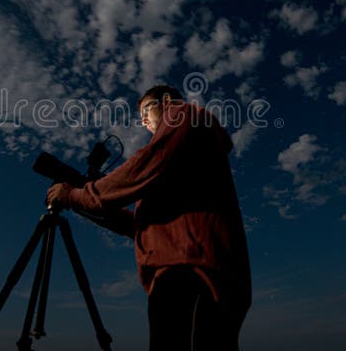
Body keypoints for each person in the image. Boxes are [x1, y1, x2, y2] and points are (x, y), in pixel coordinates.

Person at [46, 85, 251, 351]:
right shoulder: (179, 165)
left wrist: (78, 195)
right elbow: (138, 226)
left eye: (146, 110)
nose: (142, 120)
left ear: (166, 101)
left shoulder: (184, 115)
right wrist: (80, 200)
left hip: (193, 272)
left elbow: (145, 164)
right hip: (185, 273)